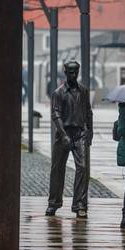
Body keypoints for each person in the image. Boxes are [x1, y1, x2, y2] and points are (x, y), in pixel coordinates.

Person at [45, 60, 93, 218]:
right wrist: (64, 134)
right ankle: (53, 203)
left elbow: (88, 111)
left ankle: (80, 205)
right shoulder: (58, 93)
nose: (73, 75)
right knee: (57, 169)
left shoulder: (83, 91)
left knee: (83, 168)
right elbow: (55, 114)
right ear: (65, 72)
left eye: (75, 72)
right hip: (63, 134)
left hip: (79, 134)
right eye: (70, 72)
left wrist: (90, 131)